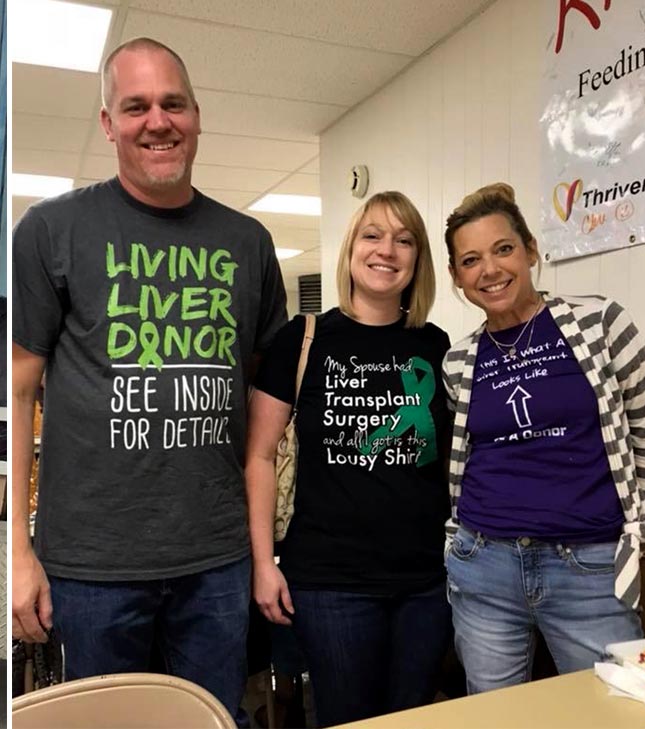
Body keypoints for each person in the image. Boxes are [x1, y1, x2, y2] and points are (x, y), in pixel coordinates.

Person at [11, 37, 287, 724]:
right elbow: (18, 392)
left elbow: (260, 408)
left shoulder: (247, 243)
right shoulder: (52, 229)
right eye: (135, 106)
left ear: (197, 115)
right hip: (93, 563)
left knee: (216, 717)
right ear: (107, 122)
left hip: (216, 558)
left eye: (173, 104)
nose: (157, 121)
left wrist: (261, 553)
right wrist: (17, 553)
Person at [441, 183, 645, 693]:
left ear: (531, 250)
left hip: (589, 568)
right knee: (495, 718)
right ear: (456, 276)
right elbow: (466, 457)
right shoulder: (459, 360)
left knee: (618, 710)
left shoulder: (600, 322)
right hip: (484, 564)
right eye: (470, 260)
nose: (489, 270)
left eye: (503, 249)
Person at [245, 191, 452, 725]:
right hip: (330, 582)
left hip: (427, 581)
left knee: (413, 718)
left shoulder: (436, 345)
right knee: (346, 719)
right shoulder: (305, 338)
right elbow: (260, 456)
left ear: (418, 259)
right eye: (373, 235)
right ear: (351, 250)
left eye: (404, 239)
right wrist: (263, 563)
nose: (388, 250)